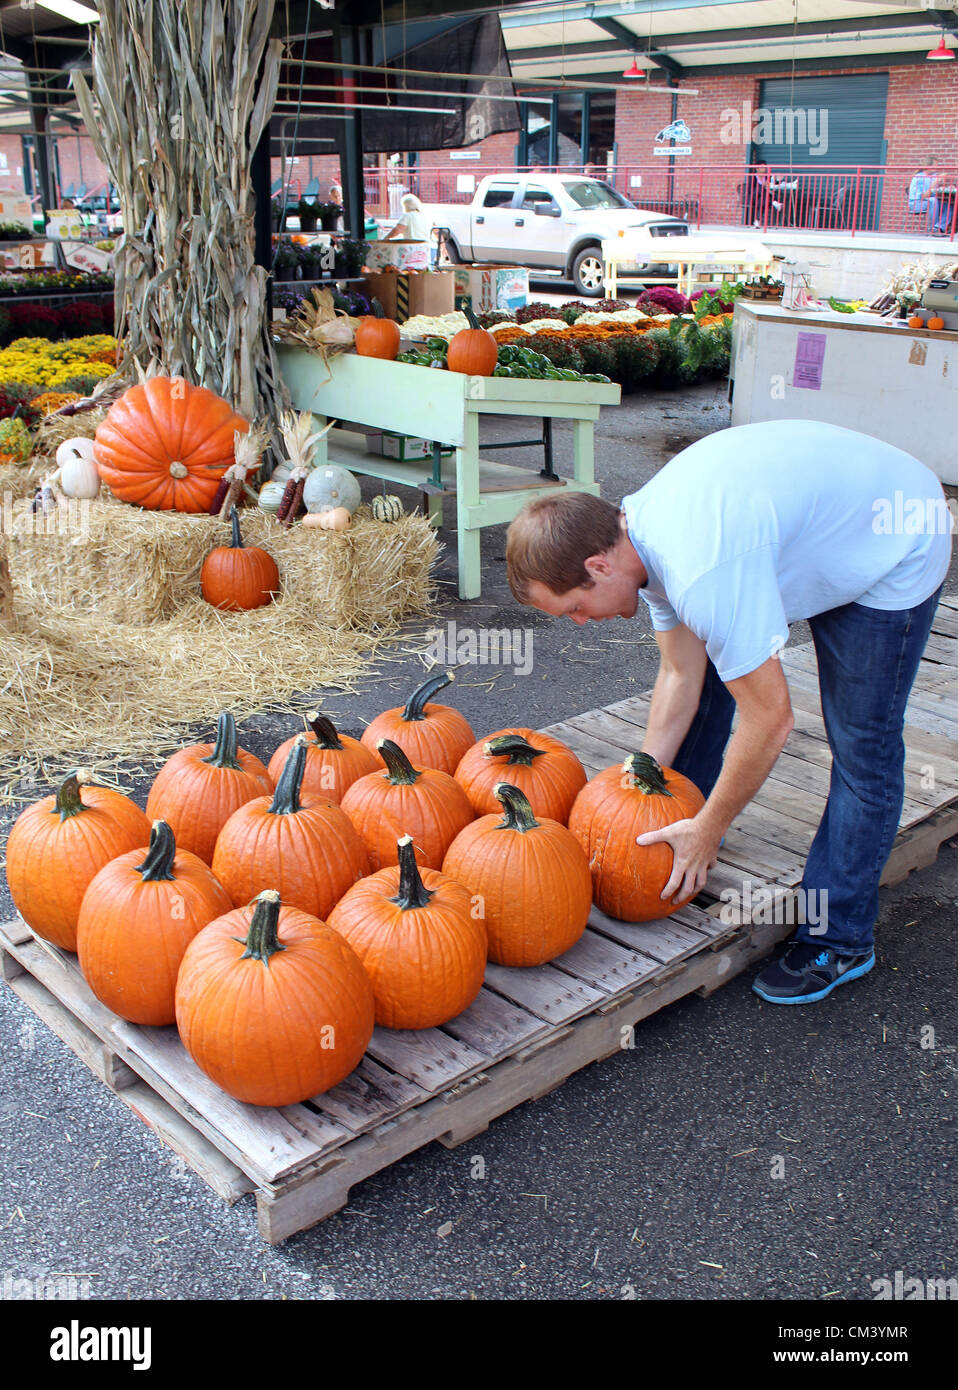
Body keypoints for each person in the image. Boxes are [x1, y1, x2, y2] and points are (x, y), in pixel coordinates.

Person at [505, 419, 951, 1005]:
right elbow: (681, 674)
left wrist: (711, 828)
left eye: (574, 610)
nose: (581, 623)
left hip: (897, 535)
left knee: (862, 743)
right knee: (713, 670)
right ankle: (672, 829)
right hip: (820, 528)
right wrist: (634, 785)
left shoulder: (700, 571)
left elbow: (771, 720)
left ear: (597, 567)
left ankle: (839, 938)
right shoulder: (639, 539)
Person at [908, 157, 947, 233]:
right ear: (928, 166)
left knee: (949, 205)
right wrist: (936, 181)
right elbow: (923, 196)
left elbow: (934, 191)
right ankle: (932, 228)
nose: (937, 168)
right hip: (917, 203)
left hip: (930, 201)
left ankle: (938, 227)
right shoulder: (919, 177)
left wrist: (945, 187)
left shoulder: (933, 176)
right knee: (933, 200)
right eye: (935, 165)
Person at [745, 155, 783, 227]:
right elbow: (750, 189)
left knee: (763, 201)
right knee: (761, 190)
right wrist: (762, 186)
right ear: (757, 168)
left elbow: (773, 184)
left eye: (765, 167)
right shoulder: (752, 177)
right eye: (762, 167)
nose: (764, 169)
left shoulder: (767, 176)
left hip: (762, 198)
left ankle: (757, 220)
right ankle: (774, 202)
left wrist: (778, 180)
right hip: (753, 197)